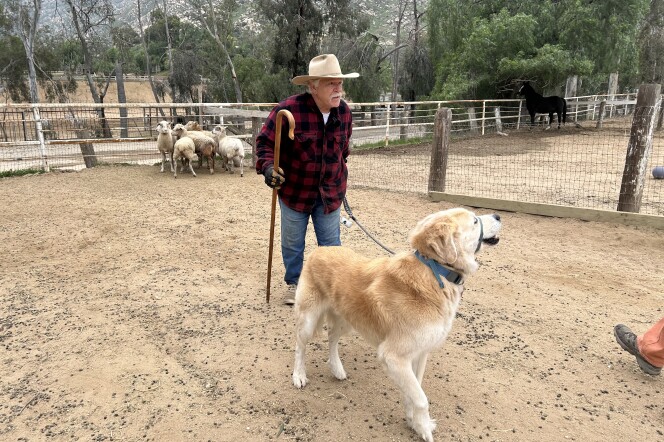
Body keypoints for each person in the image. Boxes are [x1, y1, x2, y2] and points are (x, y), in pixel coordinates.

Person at [256, 54, 359, 305]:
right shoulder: (287, 111)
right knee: (292, 243)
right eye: (330, 83)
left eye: (340, 83)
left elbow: (343, 151)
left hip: (330, 193)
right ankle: (295, 283)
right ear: (312, 86)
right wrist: (269, 169)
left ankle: (333, 288)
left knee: (332, 246)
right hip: (295, 193)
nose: (338, 89)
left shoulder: (344, 112)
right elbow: (264, 144)